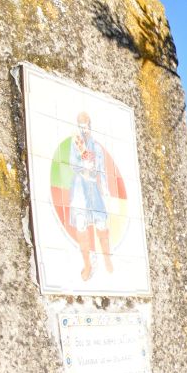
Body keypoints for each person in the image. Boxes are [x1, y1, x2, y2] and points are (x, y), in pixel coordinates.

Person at [69, 111, 113, 281]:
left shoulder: (97, 147)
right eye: (80, 128)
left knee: (101, 222)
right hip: (80, 186)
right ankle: (87, 264)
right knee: (81, 224)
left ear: (90, 127)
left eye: (85, 128)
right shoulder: (75, 144)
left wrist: (105, 188)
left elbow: (101, 169)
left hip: (94, 188)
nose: (83, 131)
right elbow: (72, 163)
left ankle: (107, 259)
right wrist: (82, 164)